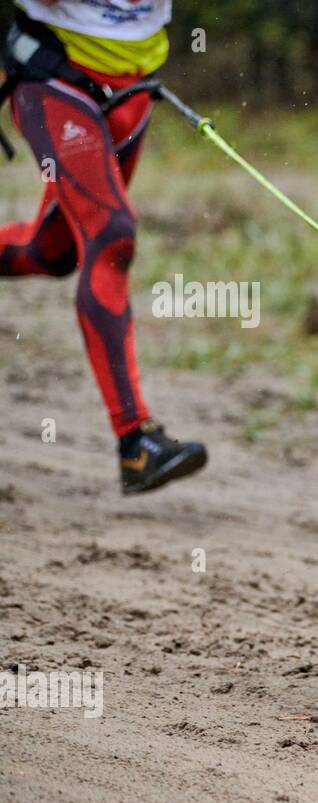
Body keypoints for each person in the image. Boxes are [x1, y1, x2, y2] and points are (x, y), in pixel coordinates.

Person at [1, 0, 205, 494]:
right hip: (52, 74)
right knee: (112, 235)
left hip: (132, 87)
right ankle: (136, 443)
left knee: (54, 252)